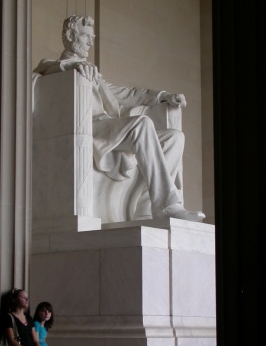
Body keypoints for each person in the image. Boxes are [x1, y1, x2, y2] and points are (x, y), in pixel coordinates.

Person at [33, 15, 205, 223]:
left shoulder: (93, 72)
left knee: (175, 137)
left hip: (110, 128)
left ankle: (147, 208)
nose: (90, 42)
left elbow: (128, 94)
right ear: (70, 35)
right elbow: (41, 71)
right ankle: (168, 206)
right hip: (89, 128)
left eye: (92, 37)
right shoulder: (54, 66)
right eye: (86, 36)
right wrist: (70, 67)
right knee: (142, 124)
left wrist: (163, 96)